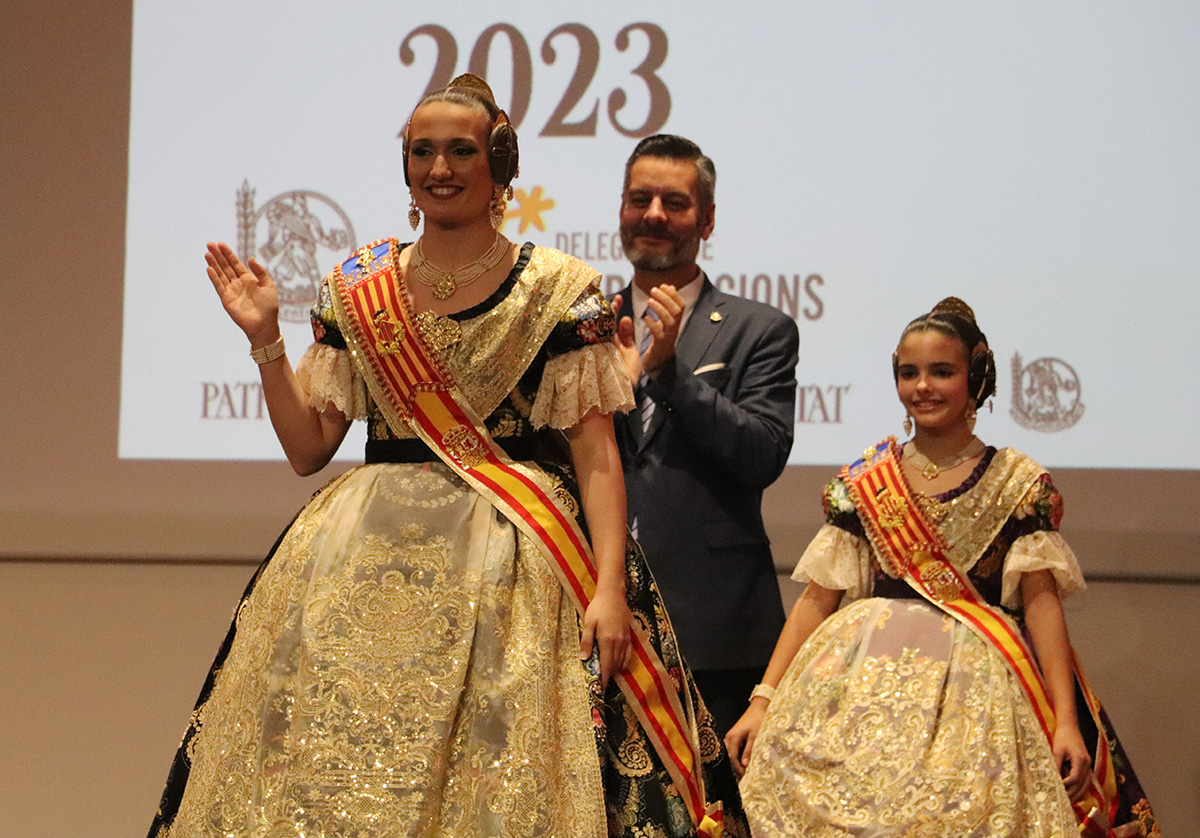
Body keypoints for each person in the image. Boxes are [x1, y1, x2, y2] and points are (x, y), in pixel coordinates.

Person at [148, 75, 749, 838]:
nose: (440, 168)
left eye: (461, 150)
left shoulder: (561, 290)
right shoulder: (358, 286)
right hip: (359, 558)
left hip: (516, 561)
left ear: (499, 163)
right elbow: (309, 449)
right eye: (422, 151)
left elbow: (596, 455)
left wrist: (606, 590)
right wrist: (266, 339)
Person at [725, 298, 1160, 838]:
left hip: (976, 696)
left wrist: (1066, 722)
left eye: (941, 372)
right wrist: (762, 701)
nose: (922, 387)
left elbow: (1042, 604)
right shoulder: (865, 481)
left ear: (976, 377)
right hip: (858, 689)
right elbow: (817, 600)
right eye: (908, 373)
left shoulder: (1017, 484)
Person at [609, 134, 799, 739]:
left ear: (707, 219)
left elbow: (761, 454)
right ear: (621, 210)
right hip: (594, 610)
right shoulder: (581, 323)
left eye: (675, 202)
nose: (655, 216)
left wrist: (669, 373)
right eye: (641, 199)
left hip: (713, 624)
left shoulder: (760, 329)